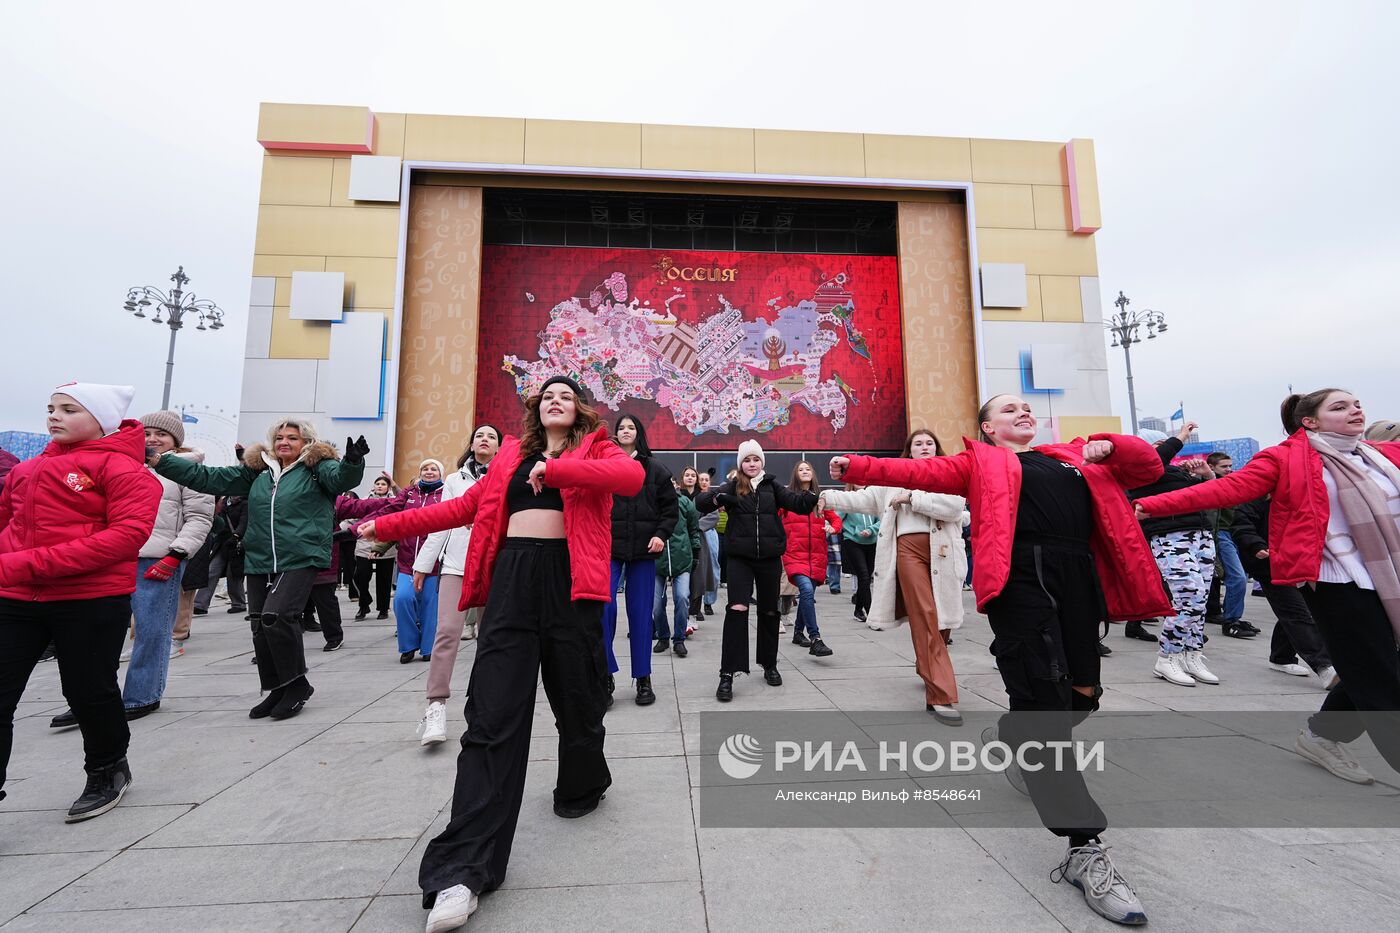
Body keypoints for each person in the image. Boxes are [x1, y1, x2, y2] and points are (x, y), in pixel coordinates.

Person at [830, 394, 1169, 926]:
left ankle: (1013, 736)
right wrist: (858, 466)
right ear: (987, 428)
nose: (1023, 413)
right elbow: (921, 470)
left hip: (1079, 578)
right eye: (1009, 410)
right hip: (1022, 581)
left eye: (1027, 409)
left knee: (1082, 697)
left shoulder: (1074, 457)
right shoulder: (980, 462)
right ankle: (1084, 848)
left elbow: (1148, 467)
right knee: (1044, 713)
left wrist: (1114, 443)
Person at [355, 375, 643, 933]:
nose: (554, 398)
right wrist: (387, 525)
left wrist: (557, 470)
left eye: (567, 393)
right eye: (546, 394)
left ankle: (582, 781)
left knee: (580, 708)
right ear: (535, 407)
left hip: (571, 589)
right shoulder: (511, 456)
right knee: (491, 721)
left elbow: (628, 478)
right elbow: (460, 509)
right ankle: (462, 871)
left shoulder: (597, 447)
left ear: (581, 408)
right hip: (512, 584)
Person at [1137, 389, 1400, 786]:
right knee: (1380, 675)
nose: (1355, 410)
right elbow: (1229, 489)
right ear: (1309, 421)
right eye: (1340, 407)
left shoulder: (1381, 456)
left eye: (1357, 403)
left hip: (1389, 575)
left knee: (1368, 667)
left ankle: (1323, 735)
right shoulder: (1286, 457)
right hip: (1337, 577)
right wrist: (1155, 505)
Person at [1, 383, 162, 822]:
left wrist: (22, 564)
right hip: (15, 597)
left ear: (102, 419)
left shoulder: (126, 471)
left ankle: (108, 768)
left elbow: (126, 537)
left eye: (70, 409)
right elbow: (6, 523)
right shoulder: (27, 469)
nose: (55, 416)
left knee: (88, 690)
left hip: (90, 598)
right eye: (51, 408)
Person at [153, 419, 367, 720]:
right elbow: (207, 478)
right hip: (260, 556)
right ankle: (278, 688)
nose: (284, 442)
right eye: (279, 437)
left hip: (301, 555)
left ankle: (297, 685)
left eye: (293, 437)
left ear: (306, 442)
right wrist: (159, 461)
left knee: (276, 616)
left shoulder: (318, 468)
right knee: (259, 625)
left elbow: (342, 479)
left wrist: (353, 461)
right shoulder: (258, 472)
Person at [821, 430, 968, 723]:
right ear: (909, 450)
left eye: (929, 443)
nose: (924, 447)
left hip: (944, 552)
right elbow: (862, 499)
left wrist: (912, 497)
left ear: (936, 448)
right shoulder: (894, 478)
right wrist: (823, 497)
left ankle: (926, 664)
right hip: (908, 551)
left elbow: (954, 508)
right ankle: (940, 694)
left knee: (943, 619)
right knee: (925, 614)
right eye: (918, 444)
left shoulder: (950, 473)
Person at [697, 440, 818, 702]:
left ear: (762, 462)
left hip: (769, 558)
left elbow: (797, 502)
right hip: (740, 558)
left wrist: (814, 495)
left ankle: (769, 663)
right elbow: (701, 501)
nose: (752, 464)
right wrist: (718, 497)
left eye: (756, 459)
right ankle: (728, 673)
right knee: (737, 610)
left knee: (770, 611)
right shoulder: (732, 486)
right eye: (747, 460)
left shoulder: (773, 485)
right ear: (741, 464)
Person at [413, 424, 500, 746]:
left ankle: (485, 706)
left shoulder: (506, 476)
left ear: (499, 446)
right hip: (455, 567)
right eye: (479, 435)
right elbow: (440, 523)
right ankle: (436, 705)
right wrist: (423, 565)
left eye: (491, 436)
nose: (484, 440)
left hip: (493, 568)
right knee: (447, 631)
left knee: (490, 637)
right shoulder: (454, 480)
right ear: (472, 443)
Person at [1127, 424, 1228, 688]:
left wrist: (1207, 476)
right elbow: (1157, 459)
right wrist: (1180, 436)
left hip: (1201, 535)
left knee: (1202, 599)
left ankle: (1191, 655)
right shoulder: (1139, 470)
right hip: (1170, 536)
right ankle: (1167, 656)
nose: (1166, 448)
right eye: (1159, 445)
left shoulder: (1176, 472)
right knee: (1189, 596)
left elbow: (1210, 498)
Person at [602, 415, 677, 707]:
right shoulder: (605, 467)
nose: (625, 431)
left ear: (639, 433)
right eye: (620, 427)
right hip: (609, 549)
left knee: (641, 614)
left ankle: (643, 678)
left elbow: (670, 509)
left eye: (631, 427)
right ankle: (605, 675)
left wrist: (661, 535)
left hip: (645, 551)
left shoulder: (655, 468)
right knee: (603, 610)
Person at [341, 459, 446, 663]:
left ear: (441, 473)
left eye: (434, 469)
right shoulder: (409, 493)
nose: (429, 471)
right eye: (425, 468)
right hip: (407, 562)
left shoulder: (446, 493)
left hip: (434, 564)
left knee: (429, 606)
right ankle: (408, 645)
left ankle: (428, 648)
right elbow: (387, 513)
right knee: (402, 600)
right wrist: (362, 529)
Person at [1230, 497, 1336, 686]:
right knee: (1297, 612)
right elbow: (1241, 525)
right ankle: (1324, 666)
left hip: (1300, 563)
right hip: (1269, 565)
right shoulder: (1258, 500)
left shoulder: (1301, 496)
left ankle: (1281, 657)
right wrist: (1256, 545)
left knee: (1297, 611)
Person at [778, 461, 840, 658]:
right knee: (805, 590)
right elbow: (771, 518)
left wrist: (833, 528)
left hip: (816, 556)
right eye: (800, 469)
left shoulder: (820, 500)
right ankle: (815, 638)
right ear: (795, 475)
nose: (805, 472)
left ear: (813, 474)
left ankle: (798, 632)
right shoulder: (788, 499)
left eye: (808, 469)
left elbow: (836, 519)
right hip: (794, 554)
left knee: (807, 594)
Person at [1202, 452, 1255, 636]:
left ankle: (1234, 617)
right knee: (1238, 577)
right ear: (1211, 467)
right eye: (1224, 466)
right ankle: (1231, 621)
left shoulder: (1234, 483)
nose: (1229, 469)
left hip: (1236, 534)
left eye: (1230, 466)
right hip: (1221, 534)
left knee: (1240, 577)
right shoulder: (1207, 484)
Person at [653, 477, 700, 658]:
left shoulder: (685, 502)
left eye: (671, 482)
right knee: (656, 604)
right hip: (657, 561)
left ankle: (679, 639)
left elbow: (693, 529)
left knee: (681, 598)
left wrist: (695, 554)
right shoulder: (653, 504)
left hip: (682, 559)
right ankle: (663, 637)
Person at [193, 495, 248, 617]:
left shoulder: (245, 503)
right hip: (222, 543)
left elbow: (244, 522)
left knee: (233, 573)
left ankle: (238, 603)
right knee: (211, 571)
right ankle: (200, 604)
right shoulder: (223, 502)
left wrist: (237, 535)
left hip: (236, 544)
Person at [353, 475, 397, 620]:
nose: (379, 486)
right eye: (377, 483)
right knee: (360, 575)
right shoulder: (365, 500)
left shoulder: (394, 501)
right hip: (365, 542)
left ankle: (383, 608)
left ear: (388, 487)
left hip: (384, 542)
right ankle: (364, 603)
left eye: (383, 484)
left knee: (384, 578)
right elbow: (354, 517)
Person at [836, 490, 880, 622]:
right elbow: (837, 518)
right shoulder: (848, 501)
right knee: (864, 576)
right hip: (852, 541)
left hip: (871, 542)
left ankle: (858, 610)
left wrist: (871, 530)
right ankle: (871, 613)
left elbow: (881, 519)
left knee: (865, 578)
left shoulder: (873, 500)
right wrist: (830, 527)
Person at [695, 471, 720, 619]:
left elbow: (714, 517)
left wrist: (696, 525)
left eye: (706, 480)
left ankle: (708, 602)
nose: (704, 482)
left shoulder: (712, 498)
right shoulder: (693, 496)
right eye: (701, 479)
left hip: (709, 532)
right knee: (698, 569)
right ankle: (696, 603)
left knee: (714, 567)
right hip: (694, 533)